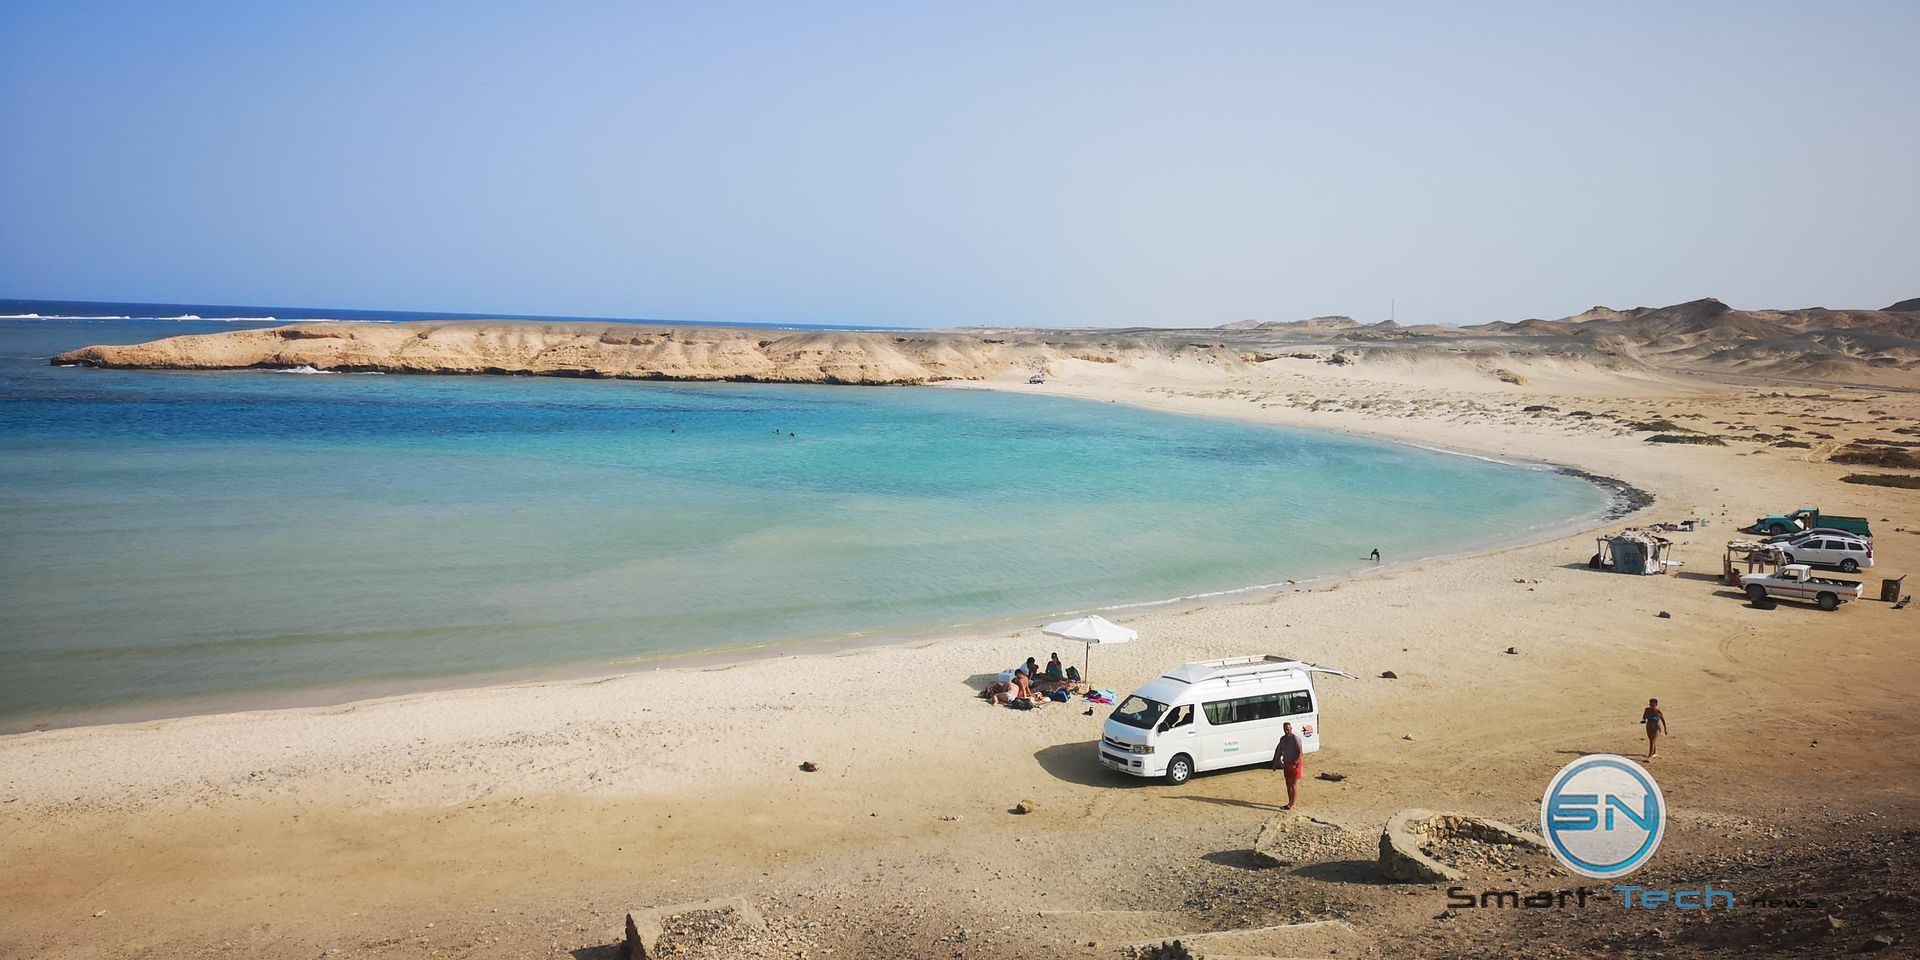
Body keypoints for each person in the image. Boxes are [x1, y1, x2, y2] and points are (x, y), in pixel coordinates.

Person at [1272, 722, 1305, 809]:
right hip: (1287, 763)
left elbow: (1300, 752)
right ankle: (1289, 802)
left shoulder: (1295, 739)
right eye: (1285, 729)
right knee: (1288, 783)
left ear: (1291, 728)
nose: (1286, 731)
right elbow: (1279, 751)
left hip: (1295, 764)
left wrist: (1295, 762)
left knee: (1293, 784)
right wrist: (1275, 763)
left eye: (1288, 729)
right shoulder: (1283, 739)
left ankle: (1293, 804)